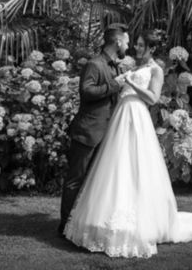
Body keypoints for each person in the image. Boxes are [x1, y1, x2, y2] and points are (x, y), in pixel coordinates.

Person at [63, 30, 192, 258]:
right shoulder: (131, 67)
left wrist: (131, 84)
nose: (136, 48)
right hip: (120, 120)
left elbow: (153, 98)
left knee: (136, 167)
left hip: (137, 120)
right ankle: (101, 219)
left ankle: (141, 222)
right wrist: (125, 80)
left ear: (152, 48)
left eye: (141, 44)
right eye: (135, 44)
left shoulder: (156, 70)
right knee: (117, 169)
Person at [58, 24, 130, 236]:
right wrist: (115, 86)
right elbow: (86, 91)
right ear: (117, 42)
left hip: (106, 132)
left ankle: (84, 224)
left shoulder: (115, 66)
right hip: (87, 132)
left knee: (96, 181)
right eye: (126, 41)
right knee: (75, 180)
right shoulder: (94, 64)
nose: (128, 45)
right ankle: (63, 226)